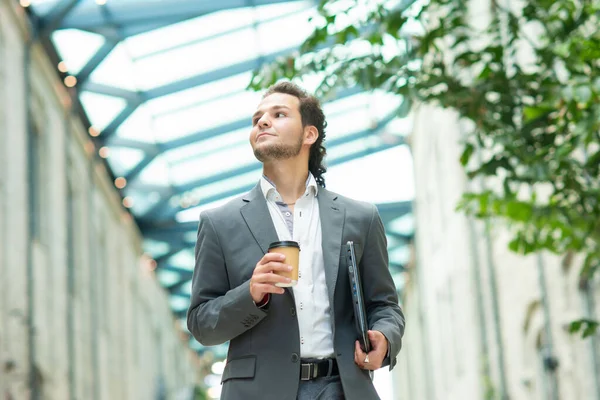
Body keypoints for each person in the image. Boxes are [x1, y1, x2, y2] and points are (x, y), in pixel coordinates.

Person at [187, 81, 405, 400]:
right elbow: (201, 323)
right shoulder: (219, 223)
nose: (262, 121)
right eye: (257, 118)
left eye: (279, 114)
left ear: (309, 134)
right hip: (258, 392)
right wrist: (250, 294)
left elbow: (385, 306)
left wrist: (385, 338)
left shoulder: (361, 217)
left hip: (342, 388)